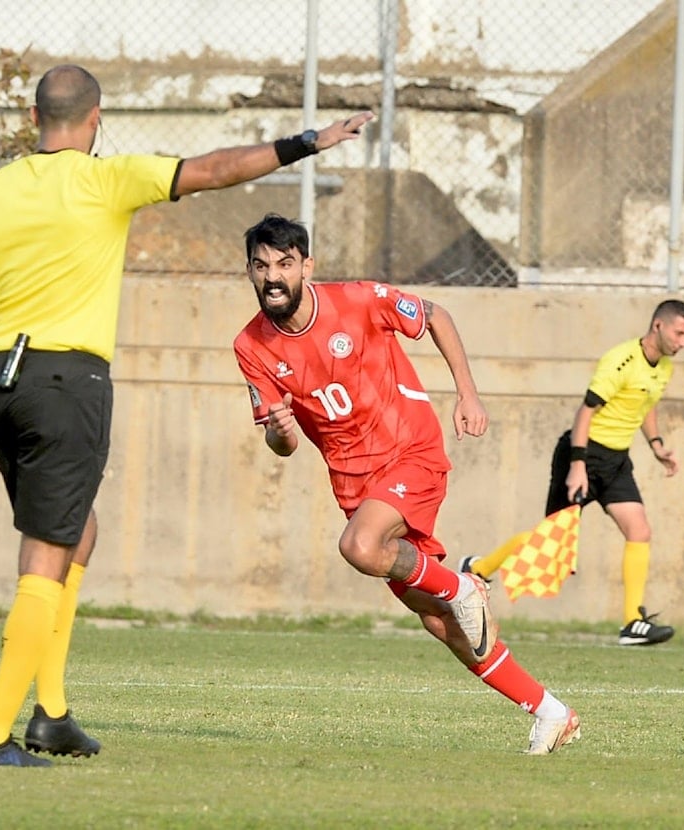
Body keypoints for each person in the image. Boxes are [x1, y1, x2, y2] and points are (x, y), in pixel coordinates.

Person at [0, 64, 374, 767]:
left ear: (34, 116)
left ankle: (51, 715)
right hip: (64, 380)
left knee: (80, 530)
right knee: (46, 554)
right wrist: (307, 141)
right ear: (95, 116)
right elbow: (218, 169)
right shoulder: (106, 179)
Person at [233, 213, 580, 755]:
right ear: (249, 271)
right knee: (441, 624)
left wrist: (467, 393)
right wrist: (279, 432)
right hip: (356, 485)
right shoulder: (251, 346)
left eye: (284, 264)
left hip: (409, 453)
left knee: (360, 547)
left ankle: (462, 584)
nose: (272, 276)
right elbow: (284, 445)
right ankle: (550, 711)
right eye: (260, 266)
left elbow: (437, 316)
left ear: (306, 266)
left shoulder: (357, 300)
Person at [460, 299, 684, 646]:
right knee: (552, 551)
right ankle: (477, 569)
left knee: (639, 530)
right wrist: (577, 467)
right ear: (658, 326)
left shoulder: (663, 367)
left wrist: (657, 445)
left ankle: (632, 621)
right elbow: (584, 414)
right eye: (680, 333)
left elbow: (646, 404)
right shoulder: (621, 361)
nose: (683, 343)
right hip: (583, 455)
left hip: (616, 462)